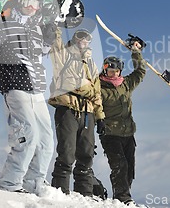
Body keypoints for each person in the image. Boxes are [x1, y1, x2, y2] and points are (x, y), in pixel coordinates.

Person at [0, 0, 57, 194]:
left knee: (46, 140)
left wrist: (50, 15)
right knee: (28, 134)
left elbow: (48, 45)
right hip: (15, 86)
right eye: (27, 1)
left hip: (36, 88)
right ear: (19, 3)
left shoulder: (37, 27)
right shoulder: (5, 22)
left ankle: (34, 181)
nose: (31, 6)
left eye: (35, 4)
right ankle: (10, 183)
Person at [47, 28, 105, 197]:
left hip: (88, 114)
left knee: (86, 154)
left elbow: (97, 90)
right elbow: (73, 83)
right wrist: (55, 25)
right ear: (74, 38)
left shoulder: (91, 63)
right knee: (66, 152)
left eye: (87, 39)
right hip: (68, 110)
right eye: (80, 37)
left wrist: (100, 116)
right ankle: (60, 192)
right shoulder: (63, 55)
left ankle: (84, 194)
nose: (83, 41)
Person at [99, 40, 146, 206]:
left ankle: (124, 197)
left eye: (116, 71)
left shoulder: (125, 84)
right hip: (110, 134)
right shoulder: (99, 87)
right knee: (120, 165)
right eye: (110, 71)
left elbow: (140, 71)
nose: (113, 74)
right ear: (105, 70)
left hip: (128, 133)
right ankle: (122, 197)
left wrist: (136, 52)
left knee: (130, 169)